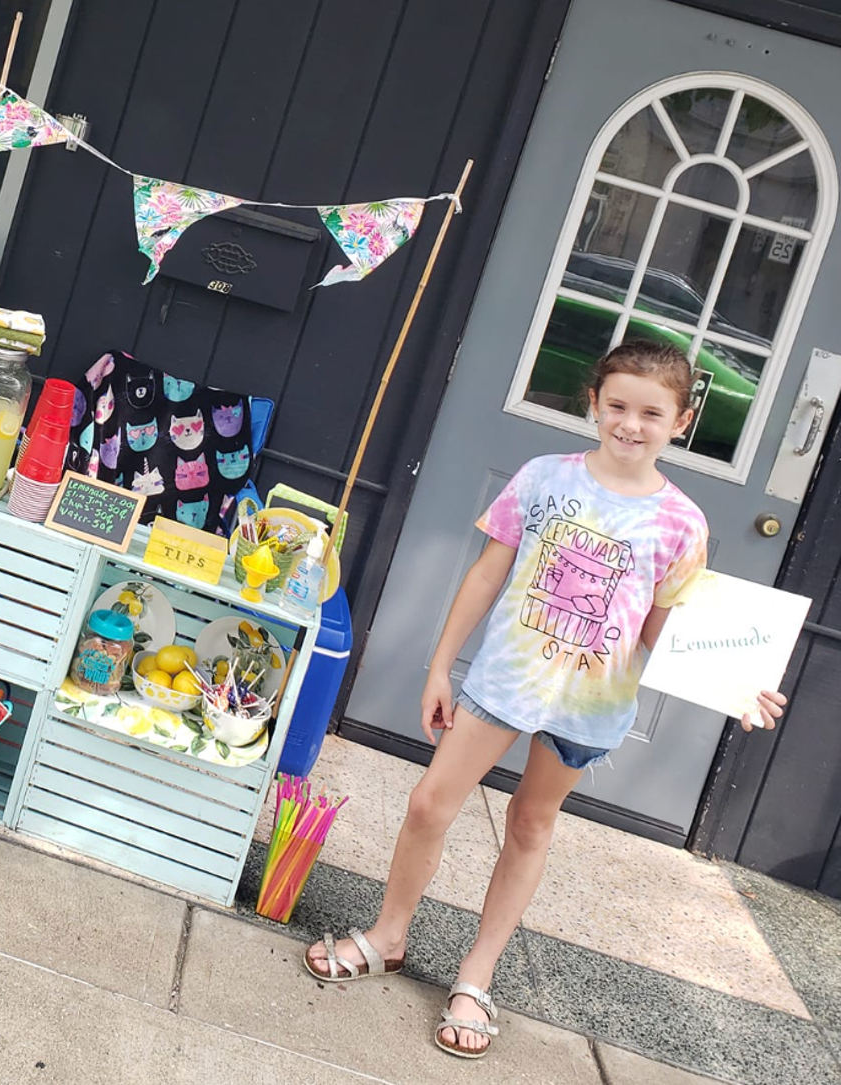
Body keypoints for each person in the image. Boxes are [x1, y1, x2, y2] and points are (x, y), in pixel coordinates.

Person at [303, 340, 787, 1060]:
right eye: (617, 405)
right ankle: (388, 935)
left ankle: (476, 976)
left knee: (531, 823)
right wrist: (440, 667)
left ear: (680, 421)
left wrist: (731, 683)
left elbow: (663, 625)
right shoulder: (541, 479)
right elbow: (484, 577)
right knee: (430, 803)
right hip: (504, 682)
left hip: (591, 704)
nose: (630, 423)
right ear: (594, 402)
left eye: (651, 412)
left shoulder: (683, 523)